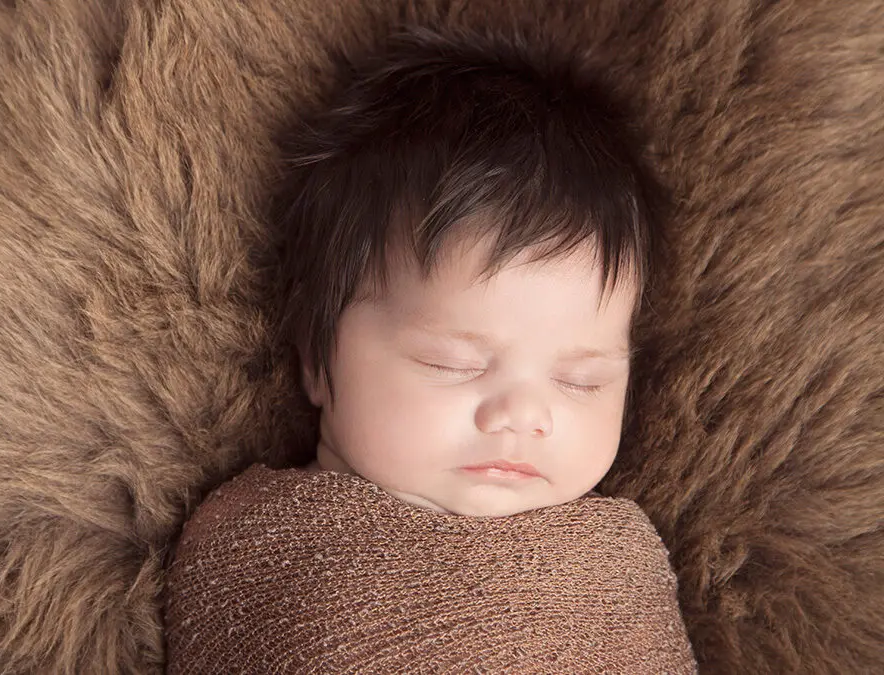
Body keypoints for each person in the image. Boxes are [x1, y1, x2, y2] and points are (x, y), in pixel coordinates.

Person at [165, 27, 695, 673]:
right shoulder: (259, 549)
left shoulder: (615, 568)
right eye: (454, 363)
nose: (525, 414)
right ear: (315, 358)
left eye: (582, 378)